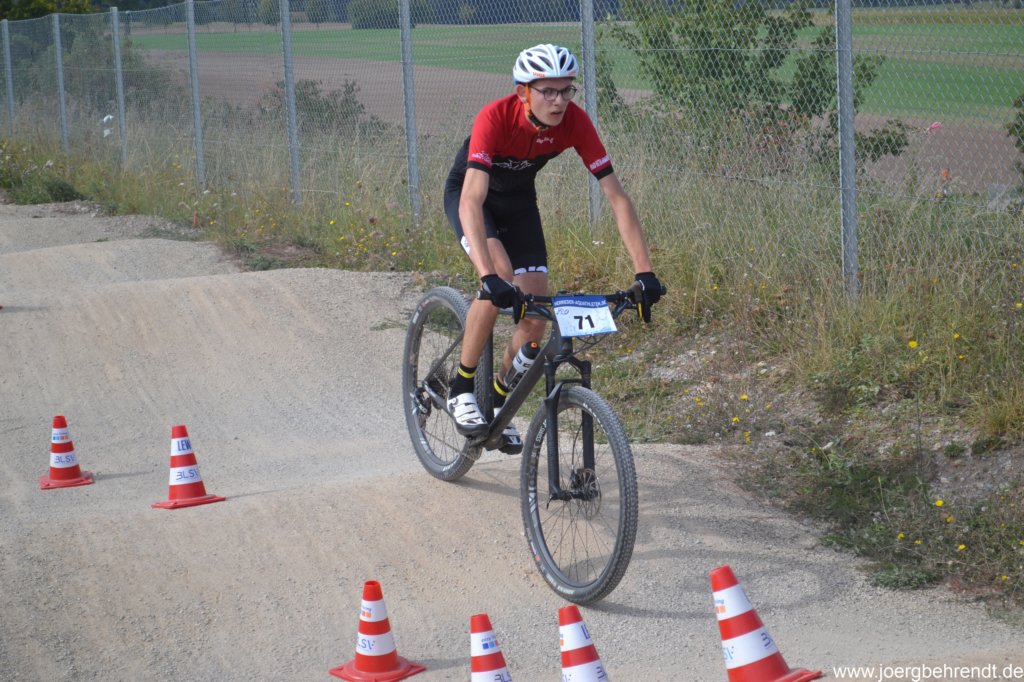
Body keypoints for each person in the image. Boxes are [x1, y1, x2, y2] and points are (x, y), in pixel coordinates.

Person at [443, 43, 663, 452]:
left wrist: (644, 272)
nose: (559, 101)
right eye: (548, 91)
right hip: (473, 199)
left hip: (519, 204)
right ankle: (461, 386)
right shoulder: (495, 117)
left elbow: (617, 197)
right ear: (523, 92)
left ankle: (498, 401)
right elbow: (471, 198)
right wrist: (488, 276)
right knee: (501, 276)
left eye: (566, 90)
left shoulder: (575, 122)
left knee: (535, 318)